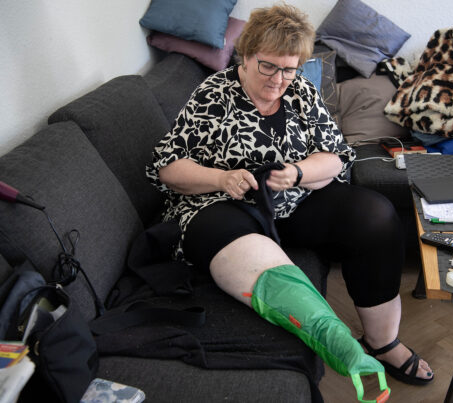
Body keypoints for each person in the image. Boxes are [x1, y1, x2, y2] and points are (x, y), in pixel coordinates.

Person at [146, 2, 433, 388]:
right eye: (268, 66)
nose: (278, 79)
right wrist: (221, 178)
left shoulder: (301, 91)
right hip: (225, 205)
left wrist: (298, 172)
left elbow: (334, 157)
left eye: (289, 68)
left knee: (375, 216)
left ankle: (383, 343)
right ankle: (332, 338)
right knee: (220, 229)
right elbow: (168, 167)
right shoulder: (213, 94)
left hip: (294, 201)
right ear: (246, 55)